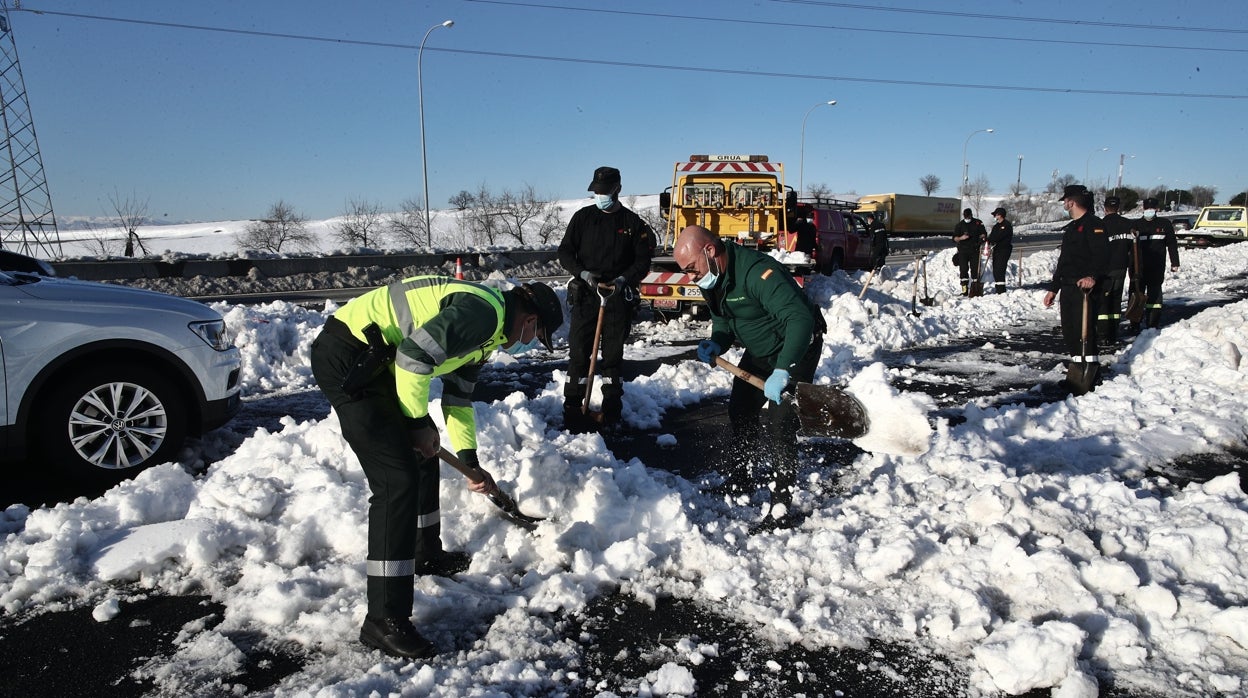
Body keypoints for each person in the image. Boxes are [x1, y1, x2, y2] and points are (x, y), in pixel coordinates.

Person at [309, 276, 563, 659]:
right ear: (528, 319)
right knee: (396, 480)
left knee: (422, 453)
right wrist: (416, 425)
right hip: (349, 354)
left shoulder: (488, 336)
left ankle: (425, 551)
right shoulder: (481, 314)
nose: (528, 344)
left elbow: (458, 403)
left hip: (382, 362)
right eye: (535, 334)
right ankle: (384, 620)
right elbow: (413, 358)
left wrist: (470, 461)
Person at [673, 224, 826, 529]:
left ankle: (782, 504)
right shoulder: (709, 276)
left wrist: (783, 370)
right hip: (761, 349)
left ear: (710, 250)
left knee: (781, 421)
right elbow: (723, 320)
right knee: (741, 408)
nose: (691, 277)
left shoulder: (758, 273)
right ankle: (740, 479)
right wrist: (718, 341)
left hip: (797, 346)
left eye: (691, 268)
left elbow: (800, 319)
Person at [558, 166, 654, 433]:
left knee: (612, 357)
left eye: (604, 192)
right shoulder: (582, 219)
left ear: (617, 190)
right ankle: (573, 407)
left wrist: (623, 280)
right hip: (587, 296)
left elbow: (642, 260)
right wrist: (582, 273)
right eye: (596, 192)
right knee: (579, 353)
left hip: (617, 298)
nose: (600, 196)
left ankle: (612, 411)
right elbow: (565, 252)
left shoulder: (633, 224)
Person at [1042, 185, 1109, 387]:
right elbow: (1064, 262)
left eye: (1065, 201)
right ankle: (1077, 369)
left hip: (1085, 289)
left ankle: (1091, 374)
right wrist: (1054, 288)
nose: (1064, 204)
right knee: (1070, 331)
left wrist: (1093, 276)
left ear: (1071, 201)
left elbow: (1103, 257)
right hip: (1068, 287)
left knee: (1085, 332)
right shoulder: (1072, 227)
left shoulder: (1094, 225)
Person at [1131, 196, 1181, 331]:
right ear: (1143, 209)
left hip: (1156, 266)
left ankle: (1152, 324)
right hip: (1138, 267)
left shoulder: (1164, 224)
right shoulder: (1136, 225)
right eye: (1147, 208)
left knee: (1154, 296)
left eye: (1152, 208)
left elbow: (1172, 244)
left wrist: (1175, 262)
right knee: (1137, 294)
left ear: (1157, 209)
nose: (1149, 211)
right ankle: (1134, 323)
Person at [1097, 195, 1134, 344]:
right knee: (1116, 300)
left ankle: (1102, 333)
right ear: (1118, 208)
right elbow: (1133, 248)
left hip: (1106, 268)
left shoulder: (1101, 225)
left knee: (1104, 300)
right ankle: (1113, 333)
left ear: (1105, 209)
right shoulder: (1128, 224)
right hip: (1122, 267)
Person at [952, 208, 987, 295]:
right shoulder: (959, 225)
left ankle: (974, 288)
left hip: (974, 250)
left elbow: (983, 233)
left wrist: (982, 238)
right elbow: (954, 238)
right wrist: (961, 238)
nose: (967, 218)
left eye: (968, 216)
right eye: (965, 216)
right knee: (963, 270)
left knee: (975, 269)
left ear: (971, 215)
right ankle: (964, 289)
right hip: (963, 251)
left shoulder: (977, 223)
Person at [986, 207, 1014, 294]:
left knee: (1000, 269)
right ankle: (998, 288)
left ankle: (1001, 290)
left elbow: (999, 237)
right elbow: (992, 237)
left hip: (1004, 250)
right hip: (997, 250)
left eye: (996, 215)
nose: (995, 217)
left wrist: (992, 240)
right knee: (996, 270)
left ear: (1000, 215)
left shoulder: (1006, 225)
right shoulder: (996, 226)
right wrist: (986, 240)